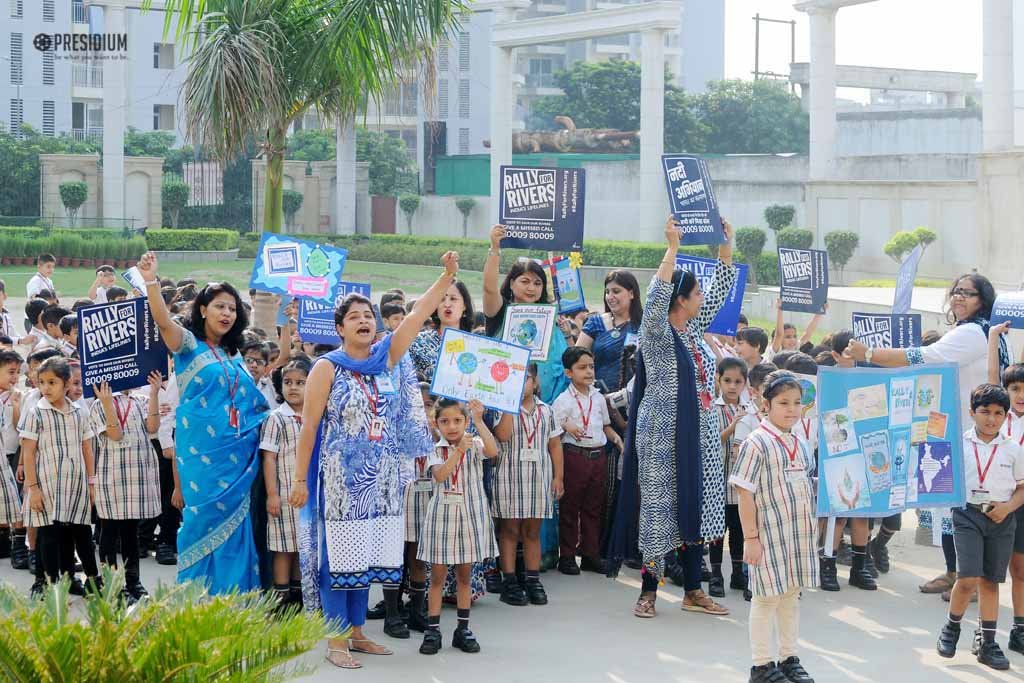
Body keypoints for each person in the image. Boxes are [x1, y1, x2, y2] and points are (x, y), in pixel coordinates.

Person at [288, 252, 456, 671]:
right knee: (338, 559)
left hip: (382, 481)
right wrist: (298, 481)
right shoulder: (326, 368)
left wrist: (446, 276)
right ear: (340, 328)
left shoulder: (387, 359)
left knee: (363, 559)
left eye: (369, 315)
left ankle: (358, 632)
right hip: (343, 481)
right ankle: (335, 637)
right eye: (355, 316)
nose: (365, 321)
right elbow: (308, 428)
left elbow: (417, 315)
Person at [843, 273, 1011, 598]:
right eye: (956, 291)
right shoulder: (973, 332)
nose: (959, 297)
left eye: (969, 293)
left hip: (968, 438)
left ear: (983, 300)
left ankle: (970, 581)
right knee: (944, 509)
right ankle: (954, 573)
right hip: (946, 434)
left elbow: (924, 357)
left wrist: (869, 354)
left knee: (964, 511)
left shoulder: (974, 334)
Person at [609, 215, 738, 619]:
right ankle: (648, 591)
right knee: (659, 507)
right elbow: (658, 288)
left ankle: (693, 591)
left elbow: (720, 291)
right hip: (662, 432)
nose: (701, 297)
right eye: (695, 292)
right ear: (680, 298)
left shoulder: (693, 330)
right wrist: (672, 247)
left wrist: (725, 247)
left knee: (696, 505)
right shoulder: (657, 331)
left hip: (698, 433)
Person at [136, 250, 270, 594]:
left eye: (232, 307)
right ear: (203, 309)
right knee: (202, 520)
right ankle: (196, 597)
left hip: (238, 455)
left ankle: (235, 598)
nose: (227, 313)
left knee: (238, 525)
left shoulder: (234, 353)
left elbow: (250, 401)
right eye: (220, 306)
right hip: (202, 456)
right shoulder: (188, 344)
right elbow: (164, 322)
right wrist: (151, 280)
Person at [730, 371, 818, 683]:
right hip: (767, 536)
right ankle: (761, 666)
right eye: (783, 402)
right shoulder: (757, 442)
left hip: (796, 537)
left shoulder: (801, 442)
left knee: (791, 596)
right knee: (765, 599)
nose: (792, 409)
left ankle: (788, 657)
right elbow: (744, 492)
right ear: (766, 405)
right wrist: (750, 539)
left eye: (796, 403)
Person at [936, 384, 1024, 671]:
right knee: (968, 578)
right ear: (972, 412)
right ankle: (952, 627)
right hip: (967, 515)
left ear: (1005, 416)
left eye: (999, 413)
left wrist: (1008, 508)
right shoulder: (958, 443)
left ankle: (987, 642)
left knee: (990, 581)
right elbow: (938, 475)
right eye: (985, 412)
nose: (991, 419)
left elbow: (1022, 488)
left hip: (1002, 519)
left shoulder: (1013, 449)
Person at [417, 399, 499, 656]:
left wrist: (479, 420)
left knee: (465, 576)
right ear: (436, 423)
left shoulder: (474, 443)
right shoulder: (435, 448)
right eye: (444, 421)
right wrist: (458, 451)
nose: (451, 427)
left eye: (457, 421)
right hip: (442, 518)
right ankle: (433, 629)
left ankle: (462, 629)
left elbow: (493, 451)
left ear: (465, 422)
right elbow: (440, 476)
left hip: (469, 516)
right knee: (438, 577)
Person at [20, 356, 101, 593]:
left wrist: (91, 481)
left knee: (78, 533)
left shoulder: (79, 412)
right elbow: (28, 452)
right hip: (47, 484)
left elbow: (87, 447)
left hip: (75, 484)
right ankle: (44, 583)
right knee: (49, 535)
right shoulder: (36, 413)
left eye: (52, 382)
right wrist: (33, 488)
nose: (46, 388)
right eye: (42, 382)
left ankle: (82, 581)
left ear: (66, 384)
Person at [491, 362, 564, 606]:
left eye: (526, 378)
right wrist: (510, 404)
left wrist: (558, 477)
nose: (522, 384)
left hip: (538, 478)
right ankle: (509, 580)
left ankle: (532, 579)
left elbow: (554, 445)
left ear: (535, 382)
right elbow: (502, 435)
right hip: (510, 477)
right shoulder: (502, 407)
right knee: (510, 530)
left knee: (532, 531)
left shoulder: (547, 410)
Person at [90, 375, 162, 603]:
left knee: (131, 531)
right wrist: (107, 402)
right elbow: (115, 435)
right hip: (112, 473)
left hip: (137, 473)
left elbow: (152, 427)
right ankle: (112, 583)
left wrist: (154, 394)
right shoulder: (98, 404)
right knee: (109, 530)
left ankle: (133, 581)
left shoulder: (140, 400)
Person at [552, 346, 623, 576]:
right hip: (574, 456)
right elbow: (552, 431)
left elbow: (605, 425)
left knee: (594, 507)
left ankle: (591, 553)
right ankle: (568, 556)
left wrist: (615, 439)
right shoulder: (562, 401)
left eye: (591, 366)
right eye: (582, 368)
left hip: (597, 456)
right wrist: (565, 425)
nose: (589, 372)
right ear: (568, 373)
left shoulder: (599, 398)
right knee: (570, 507)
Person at [482, 225, 569, 405]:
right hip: (504, 400)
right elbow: (489, 288)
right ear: (512, 284)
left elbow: (565, 365)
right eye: (525, 281)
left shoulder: (550, 321)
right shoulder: (500, 311)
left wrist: (567, 335)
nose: (531, 288)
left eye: (538, 283)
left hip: (547, 408)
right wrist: (495, 248)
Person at [260, 357, 311, 611]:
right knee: (283, 548)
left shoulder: (315, 416)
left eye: (300, 382)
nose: (293, 387)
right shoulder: (276, 418)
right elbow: (269, 457)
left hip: (308, 495)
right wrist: (272, 494)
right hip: (284, 494)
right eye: (288, 382)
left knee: (301, 546)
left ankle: (297, 596)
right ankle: (280, 600)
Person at [710, 357, 759, 599]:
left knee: (739, 529)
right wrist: (733, 425)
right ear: (718, 380)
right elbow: (712, 441)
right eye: (727, 380)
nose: (732, 386)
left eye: (737, 381)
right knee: (718, 529)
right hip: (718, 480)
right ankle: (716, 574)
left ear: (745, 383)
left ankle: (738, 573)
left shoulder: (751, 410)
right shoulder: (712, 408)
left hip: (741, 483)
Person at [989, 344, 1024, 654]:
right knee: (992, 571)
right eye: (1014, 388)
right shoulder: (998, 418)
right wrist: (993, 340)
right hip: (998, 500)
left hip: (1021, 501)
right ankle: (986, 635)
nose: (1021, 395)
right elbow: (991, 376)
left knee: (1021, 570)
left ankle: (1019, 628)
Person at [575, 270, 644, 394]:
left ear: (632, 293)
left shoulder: (643, 326)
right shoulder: (595, 323)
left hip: (635, 399)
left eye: (616, 291)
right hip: (598, 398)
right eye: (607, 292)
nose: (610, 297)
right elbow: (575, 359)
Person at [0, 349, 27, 570]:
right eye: (10, 371)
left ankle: (20, 545)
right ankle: (4, 541)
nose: (14, 377)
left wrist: (17, 405)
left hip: (13, 454)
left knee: (15, 501)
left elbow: (20, 429)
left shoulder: (19, 395)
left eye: (17, 372)